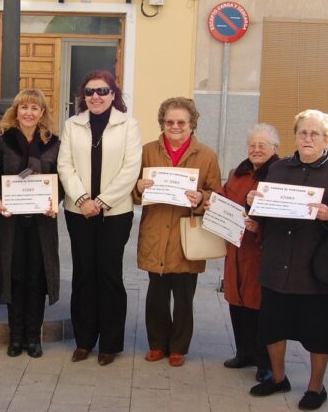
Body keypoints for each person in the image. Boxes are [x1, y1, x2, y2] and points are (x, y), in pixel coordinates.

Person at [247, 109, 328, 410]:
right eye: (302, 133)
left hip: (317, 268)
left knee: (318, 331)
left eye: (315, 134)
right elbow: (264, 211)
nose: (308, 138)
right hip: (276, 262)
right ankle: (278, 378)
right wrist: (253, 204)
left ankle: (316, 387)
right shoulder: (279, 169)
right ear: (295, 136)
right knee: (272, 326)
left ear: (327, 138)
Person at [57, 70, 141, 366]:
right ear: (84, 96)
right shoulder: (72, 125)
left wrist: (102, 202)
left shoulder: (128, 125)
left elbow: (131, 169)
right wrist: (82, 199)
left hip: (115, 213)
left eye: (102, 91)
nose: (95, 96)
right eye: (90, 91)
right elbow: (64, 165)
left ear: (113, 94)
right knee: (83, 273)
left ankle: (110, 342)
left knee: (109, 274)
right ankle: (84, 340)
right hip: (78, 211)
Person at [133, 97, 221, 366]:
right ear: (162, 122)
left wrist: (201, 198)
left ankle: (179, 347)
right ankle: (157, 343)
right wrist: (139, 187)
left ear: (192, 124)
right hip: (156, 231)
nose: (175, 126)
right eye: (169, 121)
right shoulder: (147, 151)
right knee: (156, 294)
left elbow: (216, 194)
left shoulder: (206, 155)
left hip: (188, 236)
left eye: (181, 122)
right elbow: (133, 193)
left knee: (184, 297)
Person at [0, 89, 61, 359]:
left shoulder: (53, 143)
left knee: (37, 279)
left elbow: (59, 181)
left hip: (42, 223)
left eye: (35, 107)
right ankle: (15, 336)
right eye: (24, 107)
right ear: (15, 112)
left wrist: (56, 202)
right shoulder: (2, 143)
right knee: (14, 277)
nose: (29, 112)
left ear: (42, 113)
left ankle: (33, 336)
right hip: (11, 223)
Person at [216, 123, 280, 382]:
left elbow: (282, 213)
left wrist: (260, 226)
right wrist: (212, 202)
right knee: (236, 300)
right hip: (235, 247)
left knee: (259, 305)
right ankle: (244, 353)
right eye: (252, 145)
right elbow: (224, 196)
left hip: (260, 250)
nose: (255, 149)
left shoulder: (280, 175)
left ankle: (264, 361)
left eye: (262, 146)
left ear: (275, 149)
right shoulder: (239, 173)